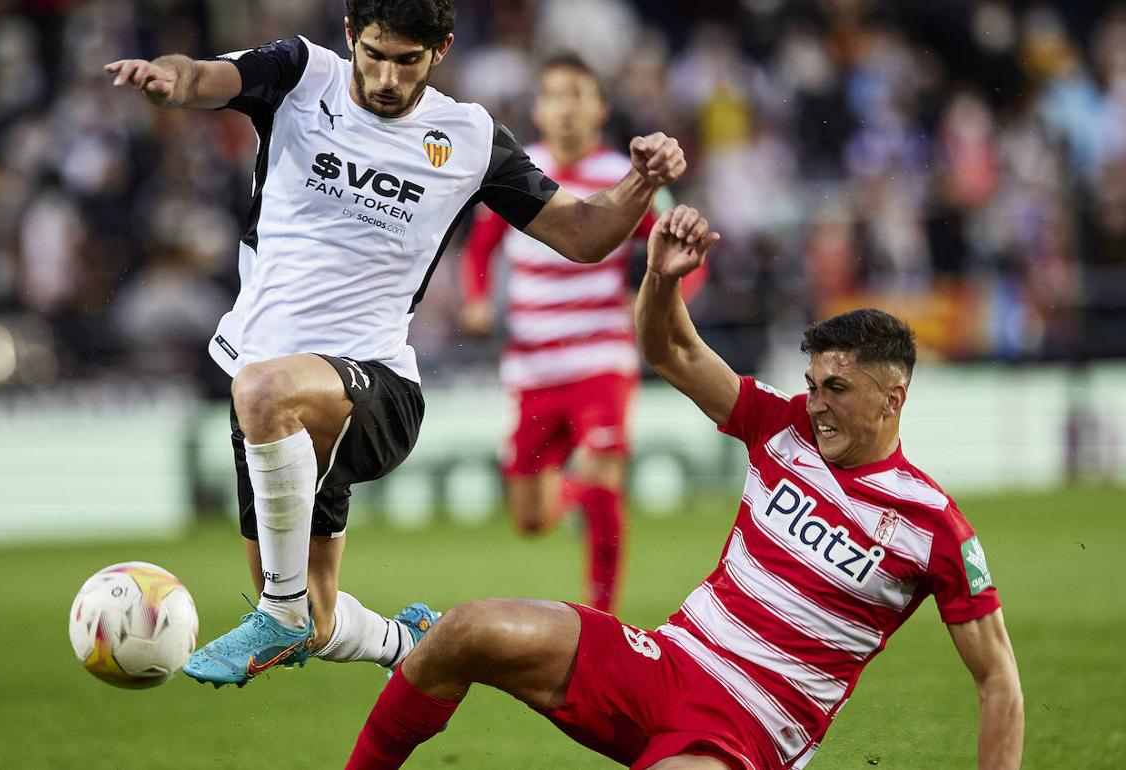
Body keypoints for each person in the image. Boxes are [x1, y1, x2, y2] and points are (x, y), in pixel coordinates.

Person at [104, 0, 690, 689]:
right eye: (375, 55)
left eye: (407, 61)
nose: (387, 78)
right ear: (351, 35)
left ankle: (279, 613)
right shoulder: (300, 75)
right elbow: (206, 77)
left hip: (375, 390)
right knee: (317, 617)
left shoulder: (468, 138)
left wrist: (642, 182)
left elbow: (585, 233)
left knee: (260, 395)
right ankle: (408, 640)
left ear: (441, 49)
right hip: (274, 411)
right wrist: (170, 79)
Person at [343, 205, 1025, 770]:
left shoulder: (933, 526)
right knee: (464, 630)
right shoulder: (780, 424)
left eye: (837, 389)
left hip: (746, 730)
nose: (817, 404)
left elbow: (998, 679)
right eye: (814, 384)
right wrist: (661, 278)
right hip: (664, 662)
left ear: (893, 397)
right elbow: (669, 350)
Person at [460, 52, 702, 614]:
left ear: (600, 109)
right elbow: (480, 248)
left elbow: (684, 250)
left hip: (600, 359)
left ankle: (602, 618)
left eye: (577, 95)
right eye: (554, 96)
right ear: (538, 110)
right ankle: (573, 495)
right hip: (532, 366)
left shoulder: (628, 178)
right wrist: (475, 300)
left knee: (604, 477)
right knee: (529, 519)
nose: (565, 108)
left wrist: (660, 302)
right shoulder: (516, 172)